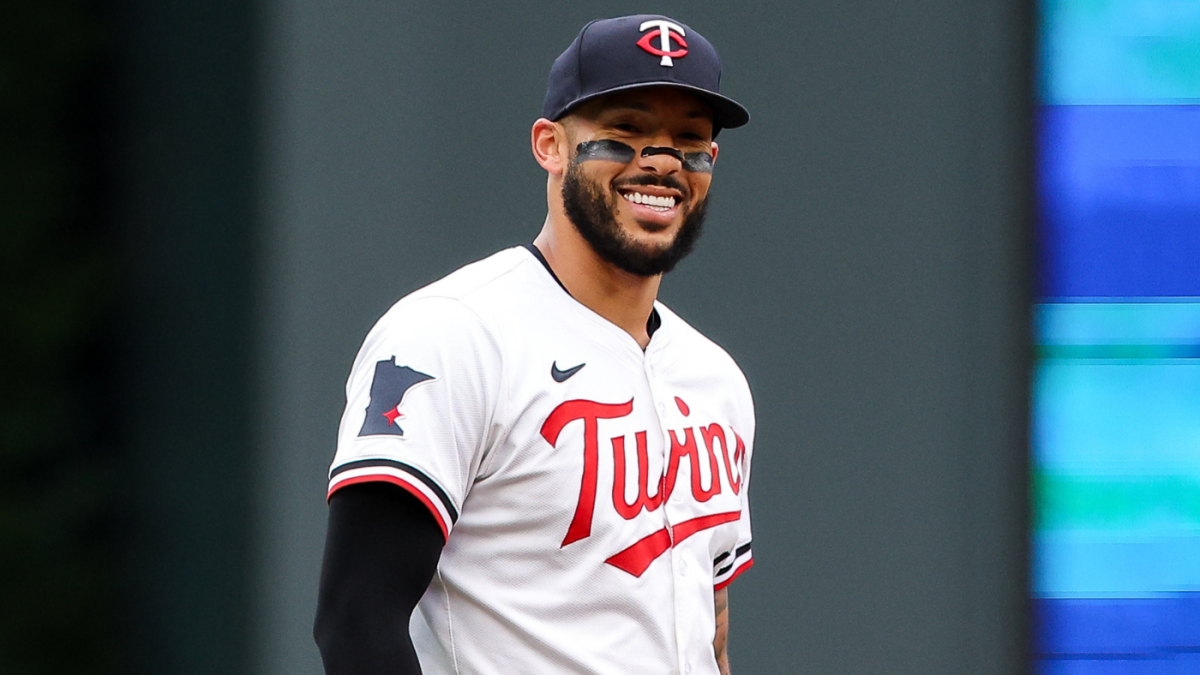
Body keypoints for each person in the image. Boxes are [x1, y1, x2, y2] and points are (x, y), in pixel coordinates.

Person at [314, 14, 755, 675]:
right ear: (550, 145)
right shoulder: (453, 334)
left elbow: (706, 632)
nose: (662, 161)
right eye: (626, 130)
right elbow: (356, 620)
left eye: (688, 139)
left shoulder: (714, 378)